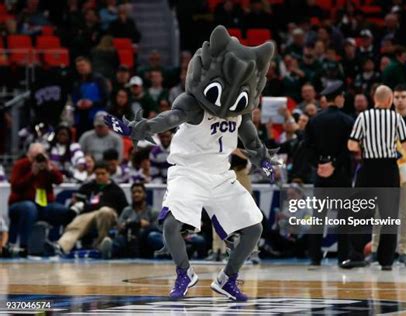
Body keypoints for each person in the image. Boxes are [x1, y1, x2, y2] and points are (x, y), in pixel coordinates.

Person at [105, 26, 275, 301]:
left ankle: (227, 279)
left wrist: (264, 160)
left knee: (254, 229)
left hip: (221, 174)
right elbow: (170, 119)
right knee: (171, 226)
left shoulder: (240, 115)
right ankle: (185, 273)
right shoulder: (193, 105)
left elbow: (252, 142)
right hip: (188, 172)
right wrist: (142, 127)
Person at [347, 85, 406, 270]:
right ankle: (387, 261)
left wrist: (363, 148)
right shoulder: (396, 117)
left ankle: (357, 255)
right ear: (390, 100)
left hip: (368, 168)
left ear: (374, 98)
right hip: (389, 169)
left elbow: (351, 145)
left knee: (359, 213)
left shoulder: (363, 117)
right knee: (389, 216)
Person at [370, 85, 406, 266]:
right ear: (391, 99)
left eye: (403, 97)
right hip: (387, 168)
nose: (400, 100)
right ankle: (375, 249)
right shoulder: (383, 119)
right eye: (397, 97)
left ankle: (403, 251)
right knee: (380, 211)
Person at [303, 80, 354, 265]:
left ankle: (314, 257)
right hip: (341, 173)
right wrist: (334, 164)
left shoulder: (314, 120)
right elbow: (349, 148)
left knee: (318, 217)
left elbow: (306, 147)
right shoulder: (348, 120)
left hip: (321, 172)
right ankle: (343, 257)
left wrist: (319, 164)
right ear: (339, 97)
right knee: (344, 217)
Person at [46, 161, 129, 256]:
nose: (100, 177)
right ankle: (61, 246)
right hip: (88, 215)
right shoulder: (87, 187)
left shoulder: (116, 190)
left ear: (108, 174)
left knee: (104, 211)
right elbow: (75, 204)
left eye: (103, 174)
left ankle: (102, 245)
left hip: (108, 216)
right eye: (97, 174)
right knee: (77, 223)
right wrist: (74, 203)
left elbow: (125, 210)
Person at [8, 143, 71, 253]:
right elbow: (15, 186)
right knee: (29, 207)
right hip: (20, 204)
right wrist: (32, 174)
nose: (37, 160)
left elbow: (59, 181)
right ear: (28, 155)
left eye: (40, 157)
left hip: (43, 205)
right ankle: (24, 246)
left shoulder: (47, 166)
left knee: (63, 211)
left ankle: (60, 244)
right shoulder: (20, 165)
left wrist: (50, 169)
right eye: (34, 157)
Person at [103, 182, 162, 258]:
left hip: (145, 243)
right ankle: (108, 251)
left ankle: (171, 252)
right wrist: (123, 226)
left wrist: (149, 225)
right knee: (119, 238)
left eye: (139, 192)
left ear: (145, 194)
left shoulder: (152, 211)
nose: (136, 194)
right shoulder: (126, 211)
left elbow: (160, 229)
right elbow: (119, 227)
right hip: (129, 241)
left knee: (153, 236)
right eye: (134, 192)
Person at [71, 56, 109, 137]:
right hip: (81, 118)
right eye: (78, 66)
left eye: (83, 65)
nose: (81, 68)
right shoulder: (76, 82)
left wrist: (92, 103)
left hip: (96, 118)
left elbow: (106, 99)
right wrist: (78, 104)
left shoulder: (99, 80)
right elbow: (73, 100)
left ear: (89, 65)